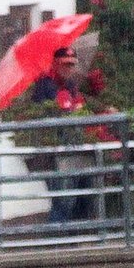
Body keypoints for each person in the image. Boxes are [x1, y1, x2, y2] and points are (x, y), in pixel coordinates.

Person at [29, 48, 93, 224]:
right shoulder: (45, 85)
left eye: (72, 64)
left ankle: (71, 236)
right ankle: (56, 238)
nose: (69, 68)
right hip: (53, 152)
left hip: (70, 149)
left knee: (81, 196)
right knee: (63, 199)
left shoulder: (70, 85)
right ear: (56, 64)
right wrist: (71, 111)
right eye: (65, 64)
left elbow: (78, 108)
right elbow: (46, 115)